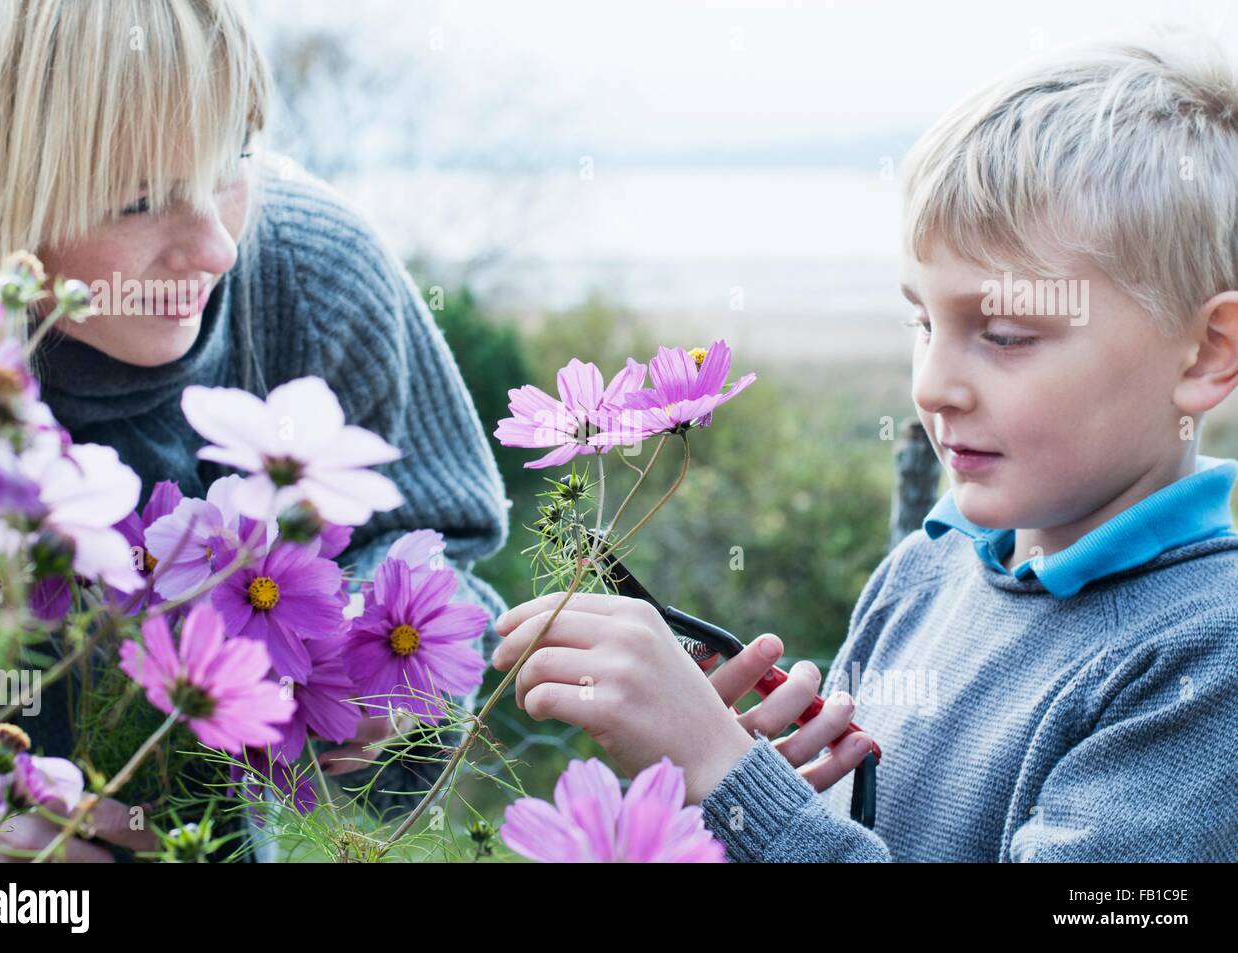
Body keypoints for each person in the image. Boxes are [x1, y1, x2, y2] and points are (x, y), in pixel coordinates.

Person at [494, 30, 1238, 862]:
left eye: (1003, 333)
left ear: (1207, 353)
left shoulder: (1209, 657)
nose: (932, 385)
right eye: (924, 322)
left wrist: (726, 771)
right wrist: (758, 781)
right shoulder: (927, 572)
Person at [0, 0, 509, 861]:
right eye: (137, 201)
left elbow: (445, 549)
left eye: (231, 159)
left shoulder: (311, 278)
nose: (216, 247)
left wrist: (387, 685)